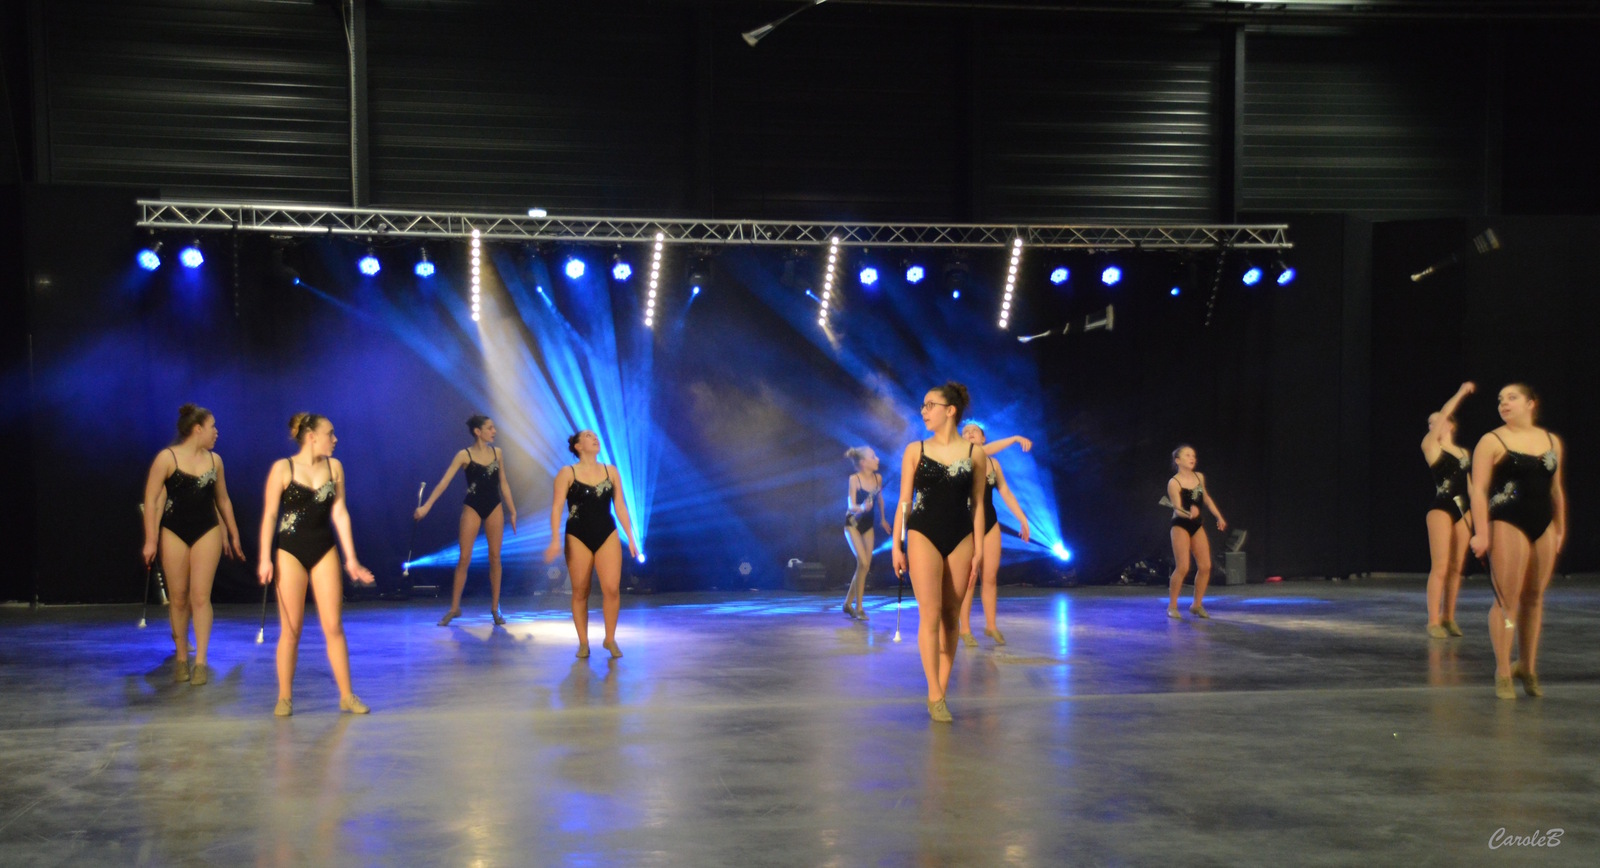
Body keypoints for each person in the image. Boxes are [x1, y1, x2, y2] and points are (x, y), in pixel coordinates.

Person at [257, 413, 376, 716]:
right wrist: (265, 558)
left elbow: (340, 513)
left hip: (324, 549)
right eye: (330, 434)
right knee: (291, 630)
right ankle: (284, 696)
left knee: (334, 626)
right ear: (311, 437)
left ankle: (346, 695)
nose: (335, 439)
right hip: (290, 552)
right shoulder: (283, 468)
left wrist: (351, 559)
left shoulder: (335, 467)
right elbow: (270, 514)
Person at [892, 382, 987, 722]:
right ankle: (933, 692)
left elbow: (978, 505)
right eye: (922, 405)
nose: (924, 411)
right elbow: (904, 502)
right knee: (930, 613)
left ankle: (941, 691)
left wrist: (978, 550)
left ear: (950, 410)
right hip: (923, 532)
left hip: (961, 536)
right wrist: (897, 545)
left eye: (930, 404)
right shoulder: (915, 450)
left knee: (951, 616)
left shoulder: (975, 454)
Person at [1469, 384, 1566, 700]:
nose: (1504, 403)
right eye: (1500, 399)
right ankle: (1503, 671)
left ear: (1531, 403)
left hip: (1542, 523)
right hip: (1507, 521)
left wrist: (1560, 528)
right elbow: (1478, 490)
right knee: (1507, 600)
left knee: (1534, 597)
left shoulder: (1551, 441)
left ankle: (1527, 666)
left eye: (1512, 398)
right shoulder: (1491, 441)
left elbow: (1556, 489)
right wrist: (1481, 533)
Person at [140, 404, 244, 685]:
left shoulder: (215, 461)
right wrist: (150, 539)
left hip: (206, 530)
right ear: (198, 429)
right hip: (174, 530)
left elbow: (223, 500)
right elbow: (151, 499)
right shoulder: (167, 457)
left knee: (200, 597)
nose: (216, 432)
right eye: (212, 427)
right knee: (178, 597)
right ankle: (181, 658)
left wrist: (233, 534)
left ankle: (201, 662)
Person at [542, 431, 641, 659]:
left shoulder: (611, 471)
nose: (595, 438)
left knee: (612, 588)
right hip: (577, 535)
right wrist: (555, 539)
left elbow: (620, 506)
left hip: (607, 532)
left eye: (595, 435)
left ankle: (610, 639)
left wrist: (630, 537)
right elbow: (557, 507)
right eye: (588, 436)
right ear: (578, 446)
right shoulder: (567, 473)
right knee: (580, 590)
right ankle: (583, 643)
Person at [415, 415, 518, 627]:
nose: (494, 431)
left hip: (494, 506)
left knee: (495, 557)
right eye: (490, 428)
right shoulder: (464, 455)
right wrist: (426, 506)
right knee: (464, 557)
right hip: (472, 505)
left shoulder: (497, 453)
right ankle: (454, 608)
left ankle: (495, 607)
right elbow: (444, 483)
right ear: (478, 432)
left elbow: (504, 483)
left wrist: (513, 510)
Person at [955, 422, 1031, 646]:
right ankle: (964, 629)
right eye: (965, 432)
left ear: (983, 437)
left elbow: (1005, 491)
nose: (969, 433)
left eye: (974, 431)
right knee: (969, 578)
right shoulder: (962, 457)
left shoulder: (993, 463)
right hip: (965, 524)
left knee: (989, 577)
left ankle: (991, 626)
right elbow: (981, 452)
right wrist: (1015, 438)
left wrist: (1022, 518)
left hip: (989, 523)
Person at [1421, 383, 1475, 638]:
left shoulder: (1463, 452)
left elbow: (1470, 485)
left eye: (1438, 422)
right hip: (1442, 508)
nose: (1433, 425)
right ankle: (1433, 620)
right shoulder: (1431, 447)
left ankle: (1448, 617)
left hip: (1464, 510)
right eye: (1430, 423)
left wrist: (1479, 517)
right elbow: (1445, 412)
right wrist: (1461, 393)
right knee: (1441, 566)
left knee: (1456, 568)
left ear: (1450, 425)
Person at [1166, 445, 1227, 619]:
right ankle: (1172, 606)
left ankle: (1196, 605)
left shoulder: (1199, 477)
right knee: (1183, 567)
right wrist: (1188, 513)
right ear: (1178, 460)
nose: (1192, 458)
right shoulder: (1174, 482)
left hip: (1196, 524)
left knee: (1206, 566)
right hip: (1180, 524)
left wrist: (1218, 516)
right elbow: (1177, 508)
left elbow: (1205, 498)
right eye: (1187, 455)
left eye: (1193, 455)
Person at [841, 446, 892, 620]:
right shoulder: (854, 479)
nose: (877, 459)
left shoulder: (878, 478)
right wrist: (862, 507)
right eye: (873, 457)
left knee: (865, 566)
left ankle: (847, 604)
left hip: (868, 525)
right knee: (862, 562)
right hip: (853, 523)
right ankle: (859, 608)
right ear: (863, 462)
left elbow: (880, 500)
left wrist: (883, 519)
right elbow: (851, 505)